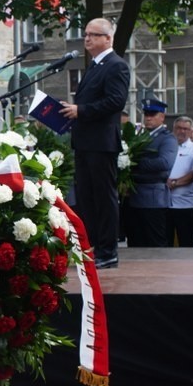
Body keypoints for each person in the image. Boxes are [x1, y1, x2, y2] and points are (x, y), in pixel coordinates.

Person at [59, 17, 130, 269]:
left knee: (104, 198)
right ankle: (93, 248)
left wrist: (81, 110)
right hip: (86, 142)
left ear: (107, 38)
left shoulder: (116, 65)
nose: (87, 38)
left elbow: (115, 102)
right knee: (87, 199)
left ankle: (108, 251)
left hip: (102, 143)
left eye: (93, 34)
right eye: (86, 34)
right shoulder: (94, 65)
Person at [124, 98, 178, 247]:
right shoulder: (140, 135)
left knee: (155, 240)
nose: (148, 117)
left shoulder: (167, 138)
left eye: (153, 114)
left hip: (153, 195)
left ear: (162, 116)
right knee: (136, 240)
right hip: (136, 195)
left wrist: (136, 162)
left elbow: (165, 163)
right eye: (146, 114)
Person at [166, 116, 193, 247]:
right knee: (166, 242)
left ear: (191, 131)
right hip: (165, 203)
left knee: (187, 241)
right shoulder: (166, 146)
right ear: (173, 129)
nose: (182, 131)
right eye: (179, 128)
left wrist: (175, 183)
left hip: (186, 204)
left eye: (186, 129)